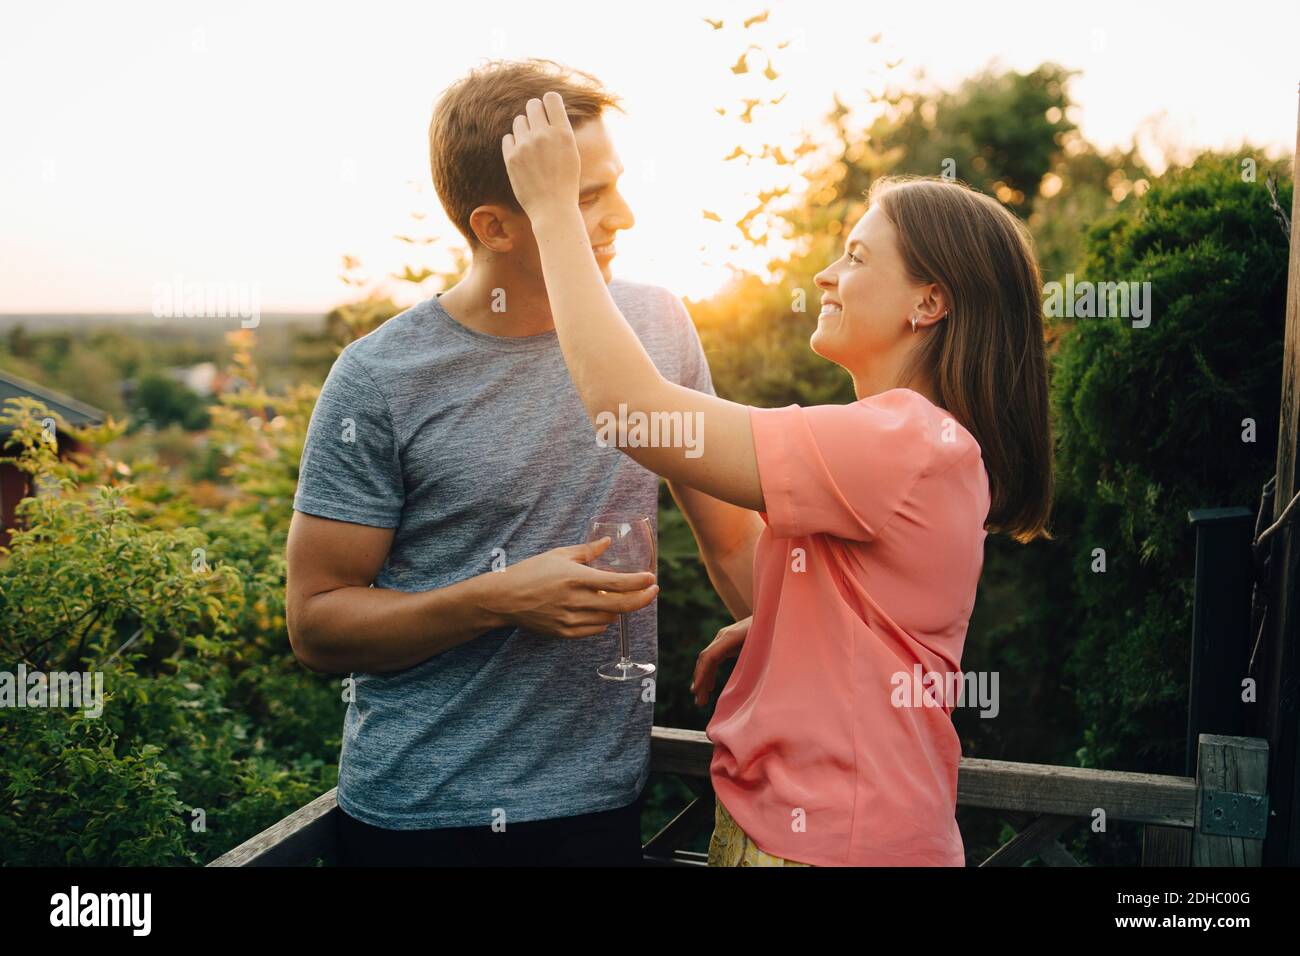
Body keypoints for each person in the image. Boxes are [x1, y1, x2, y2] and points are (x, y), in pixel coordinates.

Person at [500, 92, 1054, 866]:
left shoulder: (899, 440)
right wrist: (792, 631)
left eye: (858, 257)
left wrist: (553, 210)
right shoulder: (919, 443)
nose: (827, 275)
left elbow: (631, 414)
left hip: (835, 844)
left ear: (929, 302)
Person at [286, 61, 763, 867]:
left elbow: (730, 539)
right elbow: (318, 621)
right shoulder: (379, 378)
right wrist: (496, 600)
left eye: (615, 185)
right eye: (584, 198)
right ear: (496, 225)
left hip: (603, 807)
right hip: (421, 819)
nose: (624, 217)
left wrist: (794, 633)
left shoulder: (657, 324)